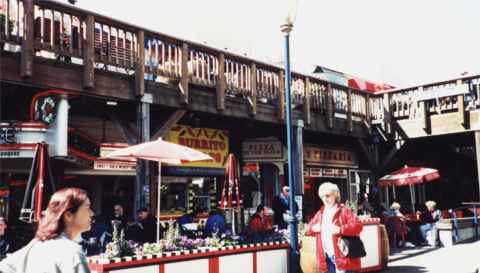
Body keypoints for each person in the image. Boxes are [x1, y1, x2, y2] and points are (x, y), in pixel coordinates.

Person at [0, 187, 93, 273]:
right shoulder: (72, 252)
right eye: (87, 207)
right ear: (68, 215)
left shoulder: (35, 245)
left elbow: (4, 267)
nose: (92, 213)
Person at [306, 182, 363, 273]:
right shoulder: (320, 213)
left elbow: (358, 226)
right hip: (326, 257)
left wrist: (341, 229)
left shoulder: (344, 211)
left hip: (343, 256)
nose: (325, 199)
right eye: (322, 196)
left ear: (335, 195)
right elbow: (308, 229)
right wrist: (313, 228)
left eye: (327, 195)